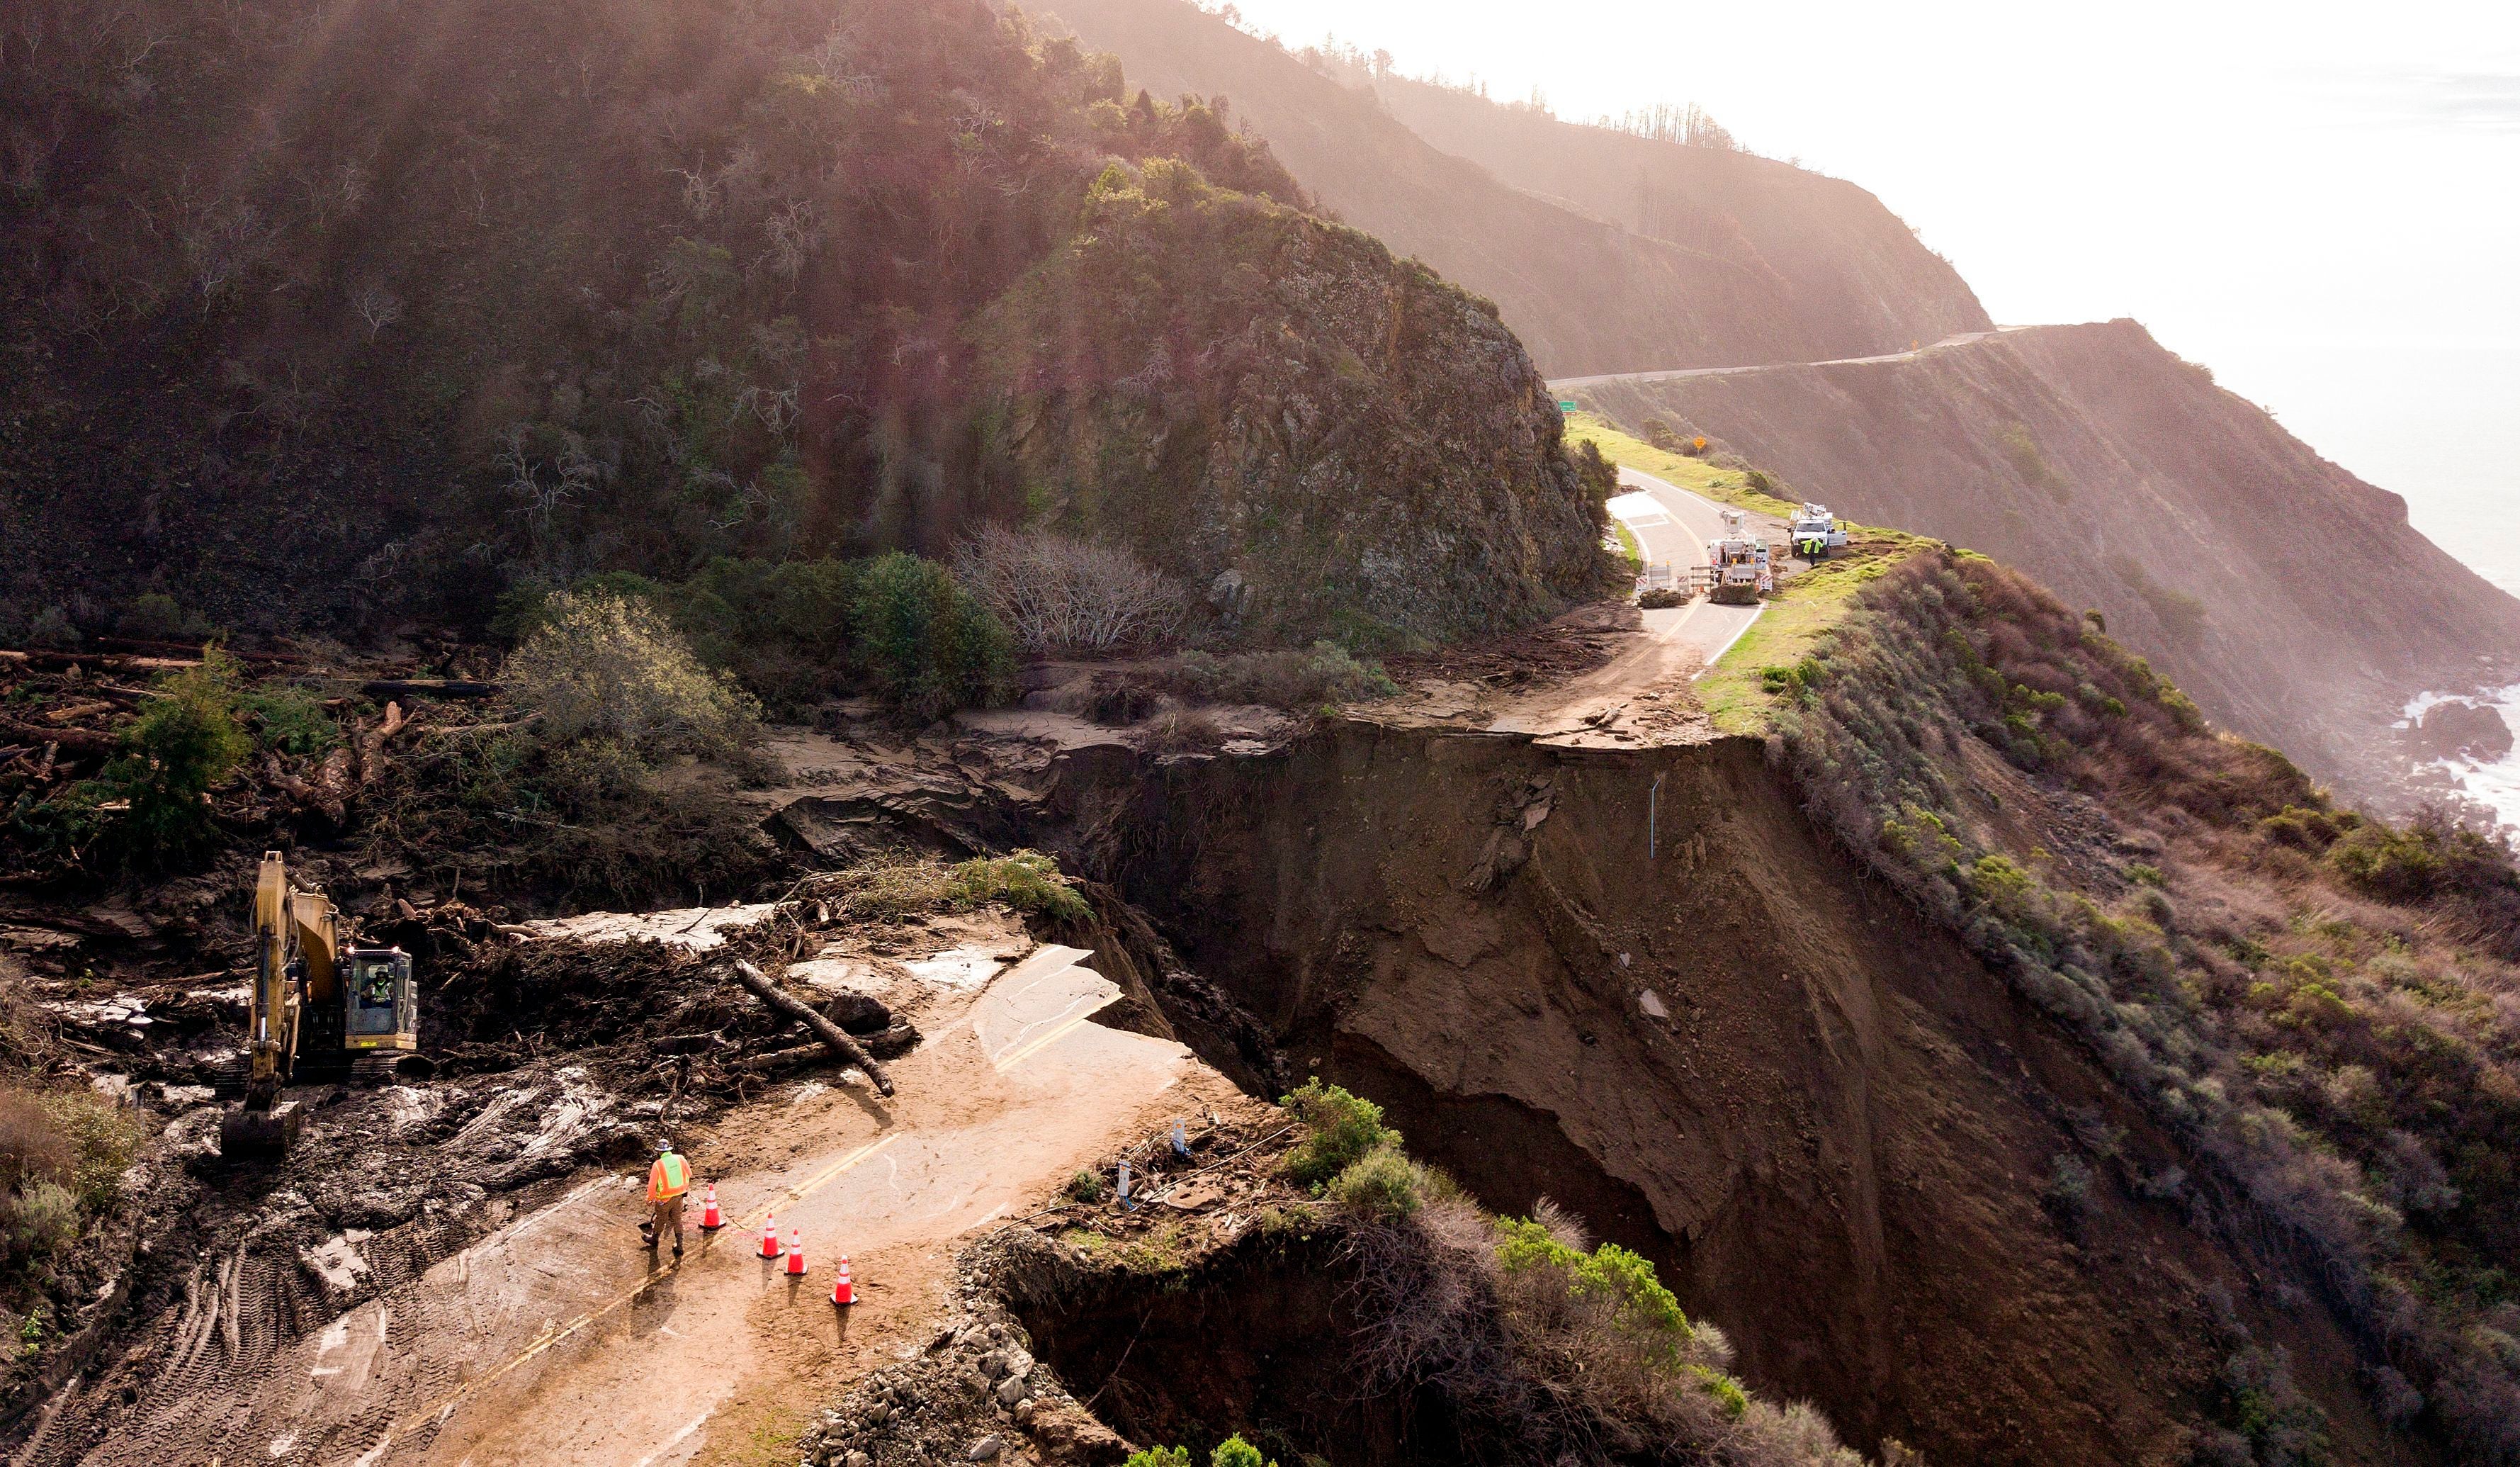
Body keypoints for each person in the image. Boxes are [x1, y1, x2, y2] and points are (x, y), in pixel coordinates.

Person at [643, 1139, 690, 1257]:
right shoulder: (680, 1158)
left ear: (659, 1152)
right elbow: (689, 1173)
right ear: (669, 1149)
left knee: (661, 1218)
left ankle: (654, 1239)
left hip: (664, 1198)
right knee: (677, 1219)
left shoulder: (658, 1165)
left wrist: (650, 1198)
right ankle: (679, 1246)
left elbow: (652, 1185)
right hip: (679, 1195)